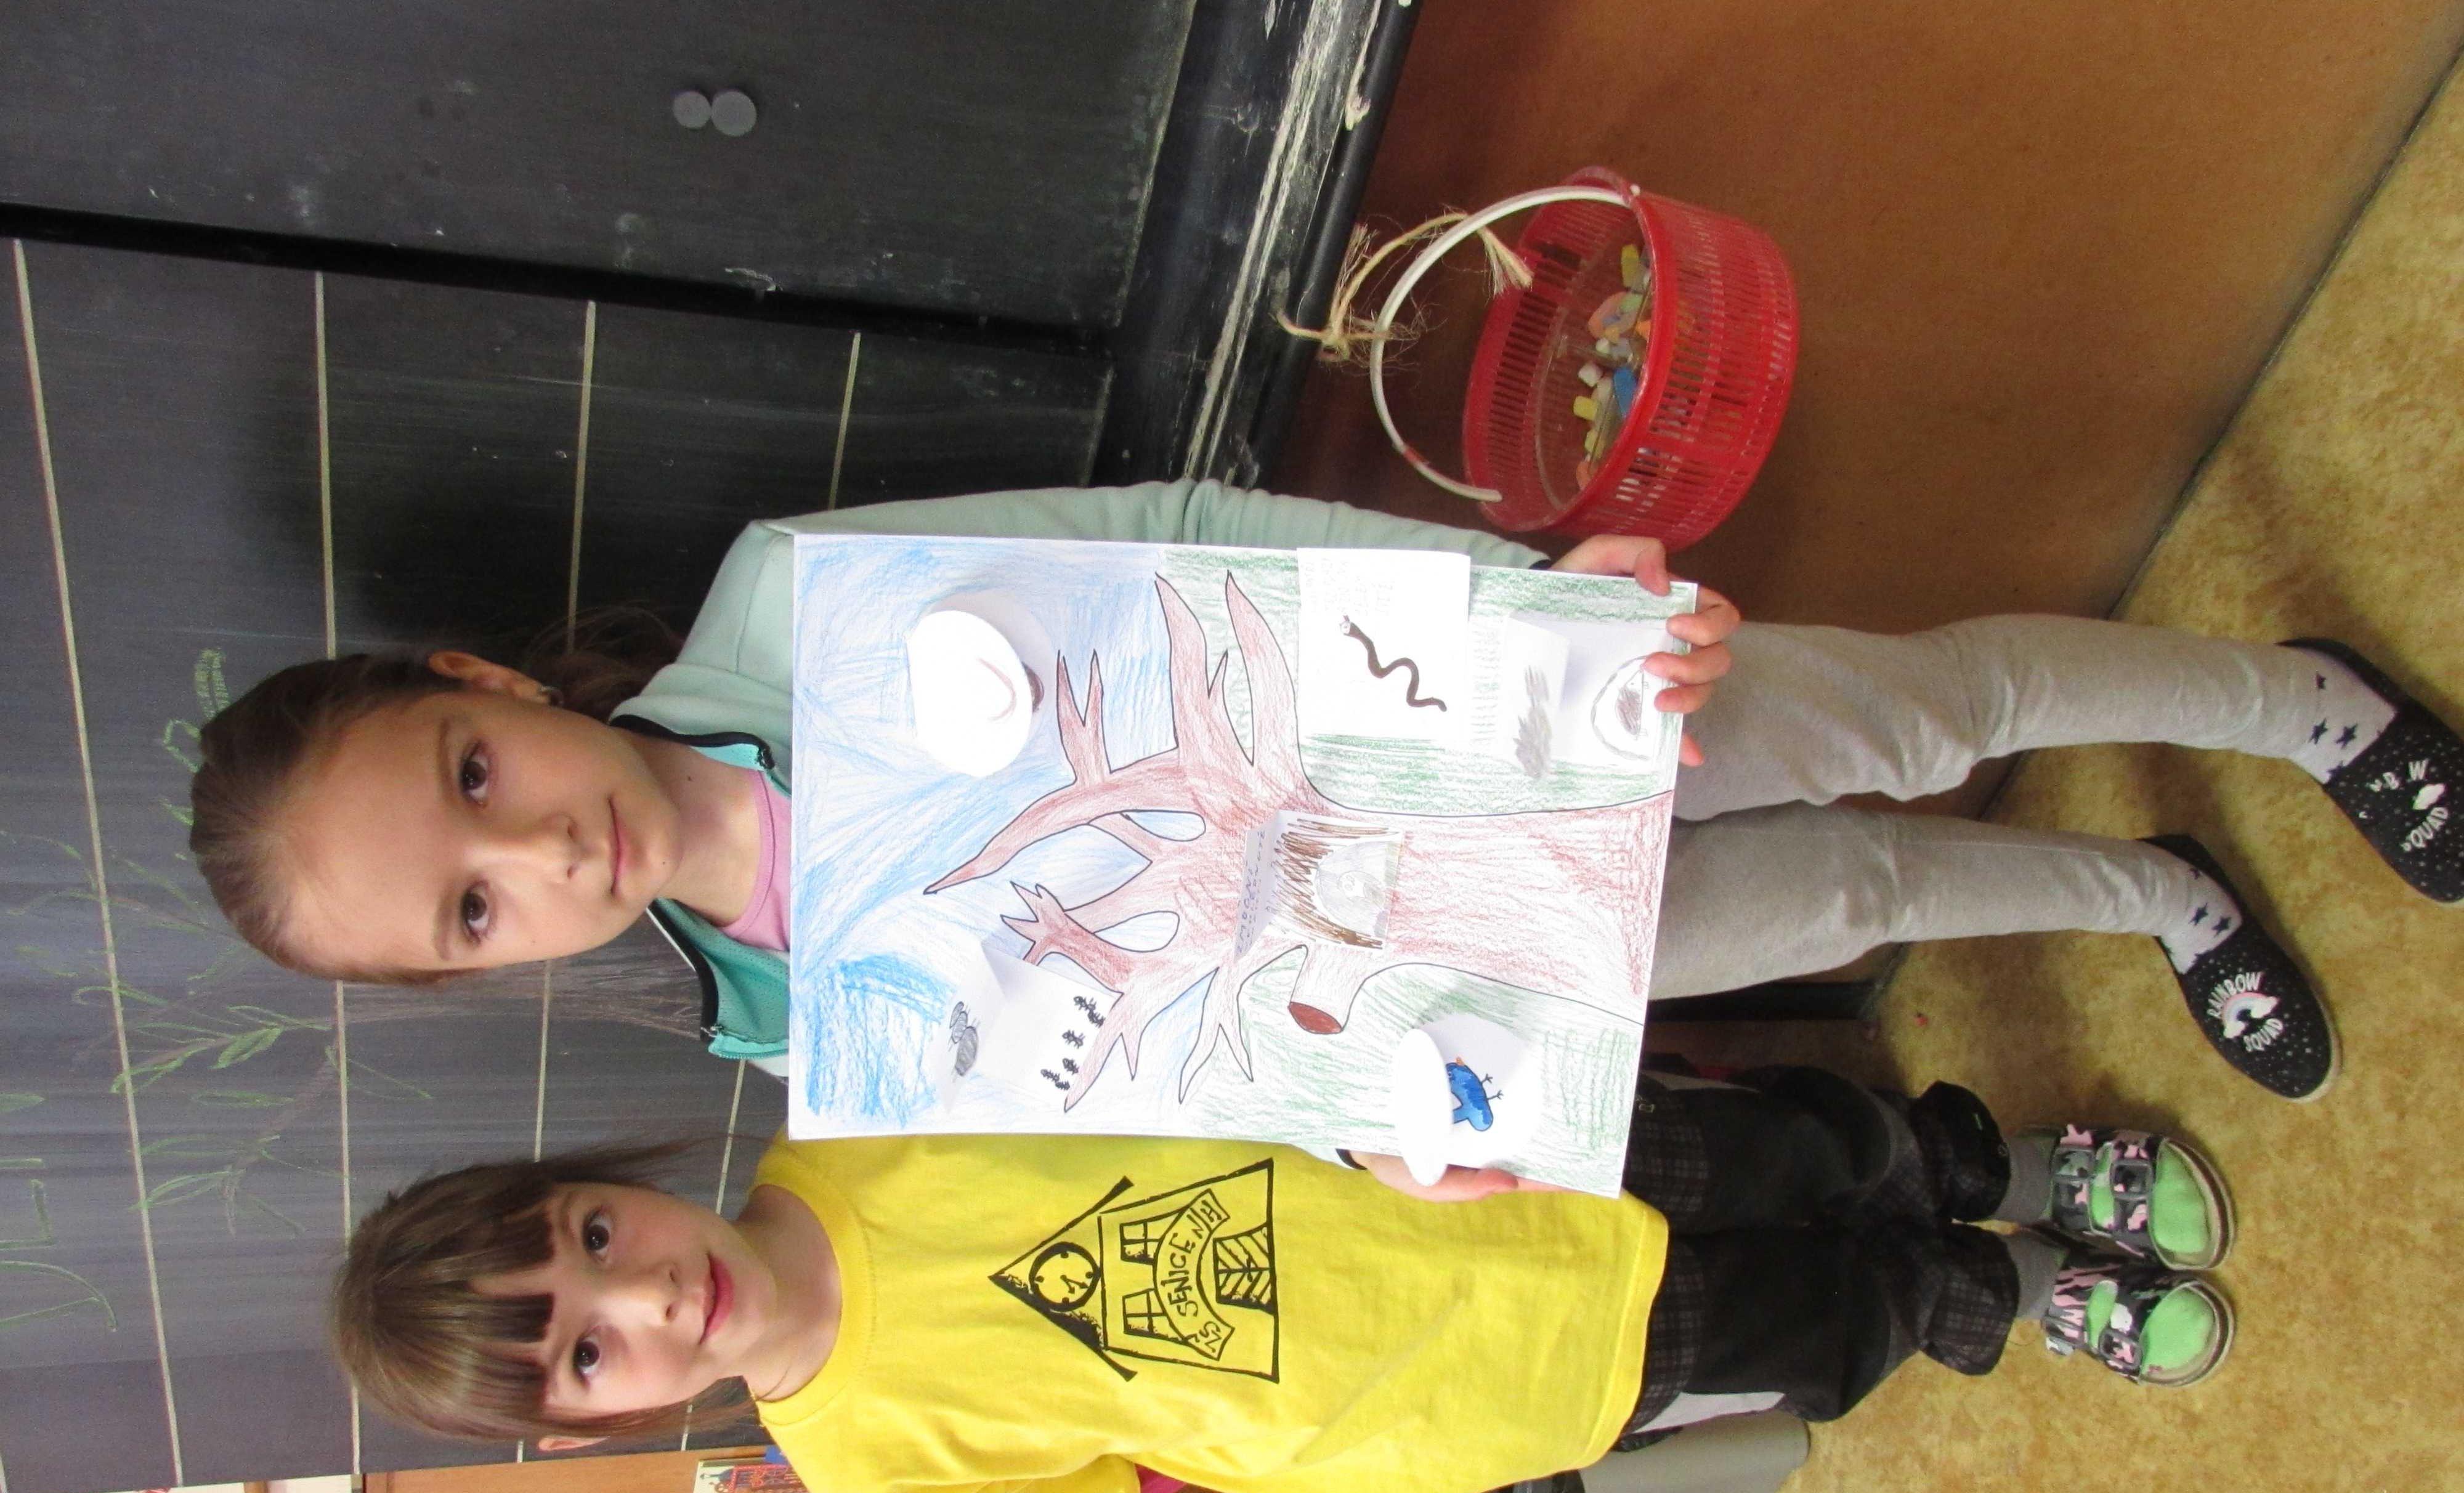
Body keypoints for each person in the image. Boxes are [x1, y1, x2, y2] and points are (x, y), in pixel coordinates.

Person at [191, 482, 2464, 1105]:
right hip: (1433, 957)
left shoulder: (799, 605)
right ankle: (2159, 896)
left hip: (1469, 717)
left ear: (483, 684)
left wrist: (1517, 600)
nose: (536, 854)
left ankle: (2305, 708)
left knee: (1910, 719)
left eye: (472, 777)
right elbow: (1146, 1081)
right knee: (1841, 899)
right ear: (479, 975)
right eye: (470, 908)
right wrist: (1397, 1119)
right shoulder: (791, 1036)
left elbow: (1178, 537)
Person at [331, 1068, 2237, 1493]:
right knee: (1795, 1336)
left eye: (593, 1238)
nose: (650, 1293)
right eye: (591, 1348)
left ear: (606, 1179)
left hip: (1458, 1158)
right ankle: (1999, 1287)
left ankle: (1999, 1168)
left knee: (1787, 1146)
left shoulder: (867, 1102)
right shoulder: (865, 1476)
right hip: (1446, 1386)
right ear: (595, 1421)